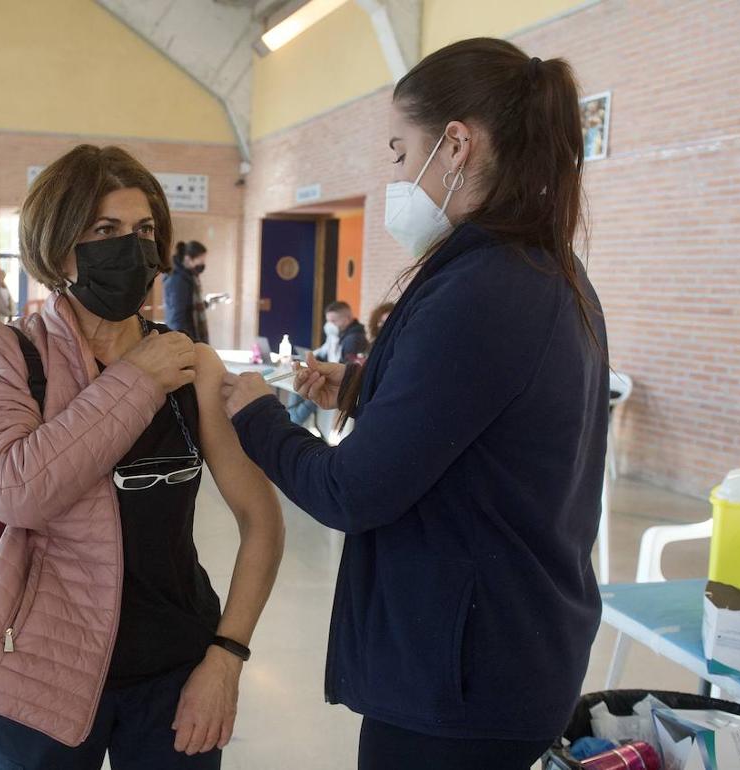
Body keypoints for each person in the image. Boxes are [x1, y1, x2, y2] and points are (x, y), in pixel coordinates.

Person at [221, 38, 608, 770]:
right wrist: (367, 388)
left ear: (456, 144)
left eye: (401, 153)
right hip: (513, 650)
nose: (396, 175)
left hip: (464, 679)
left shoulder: (484, 290)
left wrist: (255, 417)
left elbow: (351, 491)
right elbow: (490, 413)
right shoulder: (539, 270)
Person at [0, 145, 285, 770]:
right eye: (105, 231)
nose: (132, 249)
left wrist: (226, 656)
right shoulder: (1, 357)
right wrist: (136, 380)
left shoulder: (191, 366)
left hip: (175, 672)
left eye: (144, 231)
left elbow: (261, 520)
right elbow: (16, 490)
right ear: (58, 248)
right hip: (37, 670)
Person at [286, 301, 368, 427]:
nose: (329, 325)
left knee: (307, 395)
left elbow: (348, 370)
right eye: (328, 321)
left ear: (346, 320)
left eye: (333, 321)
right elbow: (321, 354)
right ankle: (291, 421)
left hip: (335, 386)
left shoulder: (353, 339)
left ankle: (291, 424)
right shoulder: (338, 336)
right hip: (329, 381)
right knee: (297, 388)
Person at [164, 240, 209, 343]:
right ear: (188, 259)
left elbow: (189, 306)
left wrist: (206, 303)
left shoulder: (188, 277)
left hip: (190, 334)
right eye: (200, 261)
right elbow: (177, 315)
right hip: (184, 336)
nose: (203, 265)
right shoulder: (178, 280)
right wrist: (185, 341)